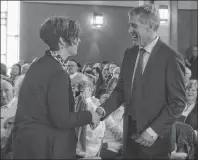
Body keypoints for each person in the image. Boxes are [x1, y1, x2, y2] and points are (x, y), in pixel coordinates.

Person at [93, 4, 186, 159]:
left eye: (133, 25)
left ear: (149, 26)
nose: (129, 30)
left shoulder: (171, 57)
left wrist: (152, 132)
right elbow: (121, 91)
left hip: (155, 141)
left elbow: (177, 103)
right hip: (129, 137)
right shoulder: (130, 53)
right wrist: (102, 111)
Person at [12, 16, 100, 159]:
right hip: (46, 148)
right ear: (62, 41)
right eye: (75, 36)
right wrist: (90, 116)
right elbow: (61, 120)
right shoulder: (58, 72)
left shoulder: (39, 64)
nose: (79, 40)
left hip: (29, 145)